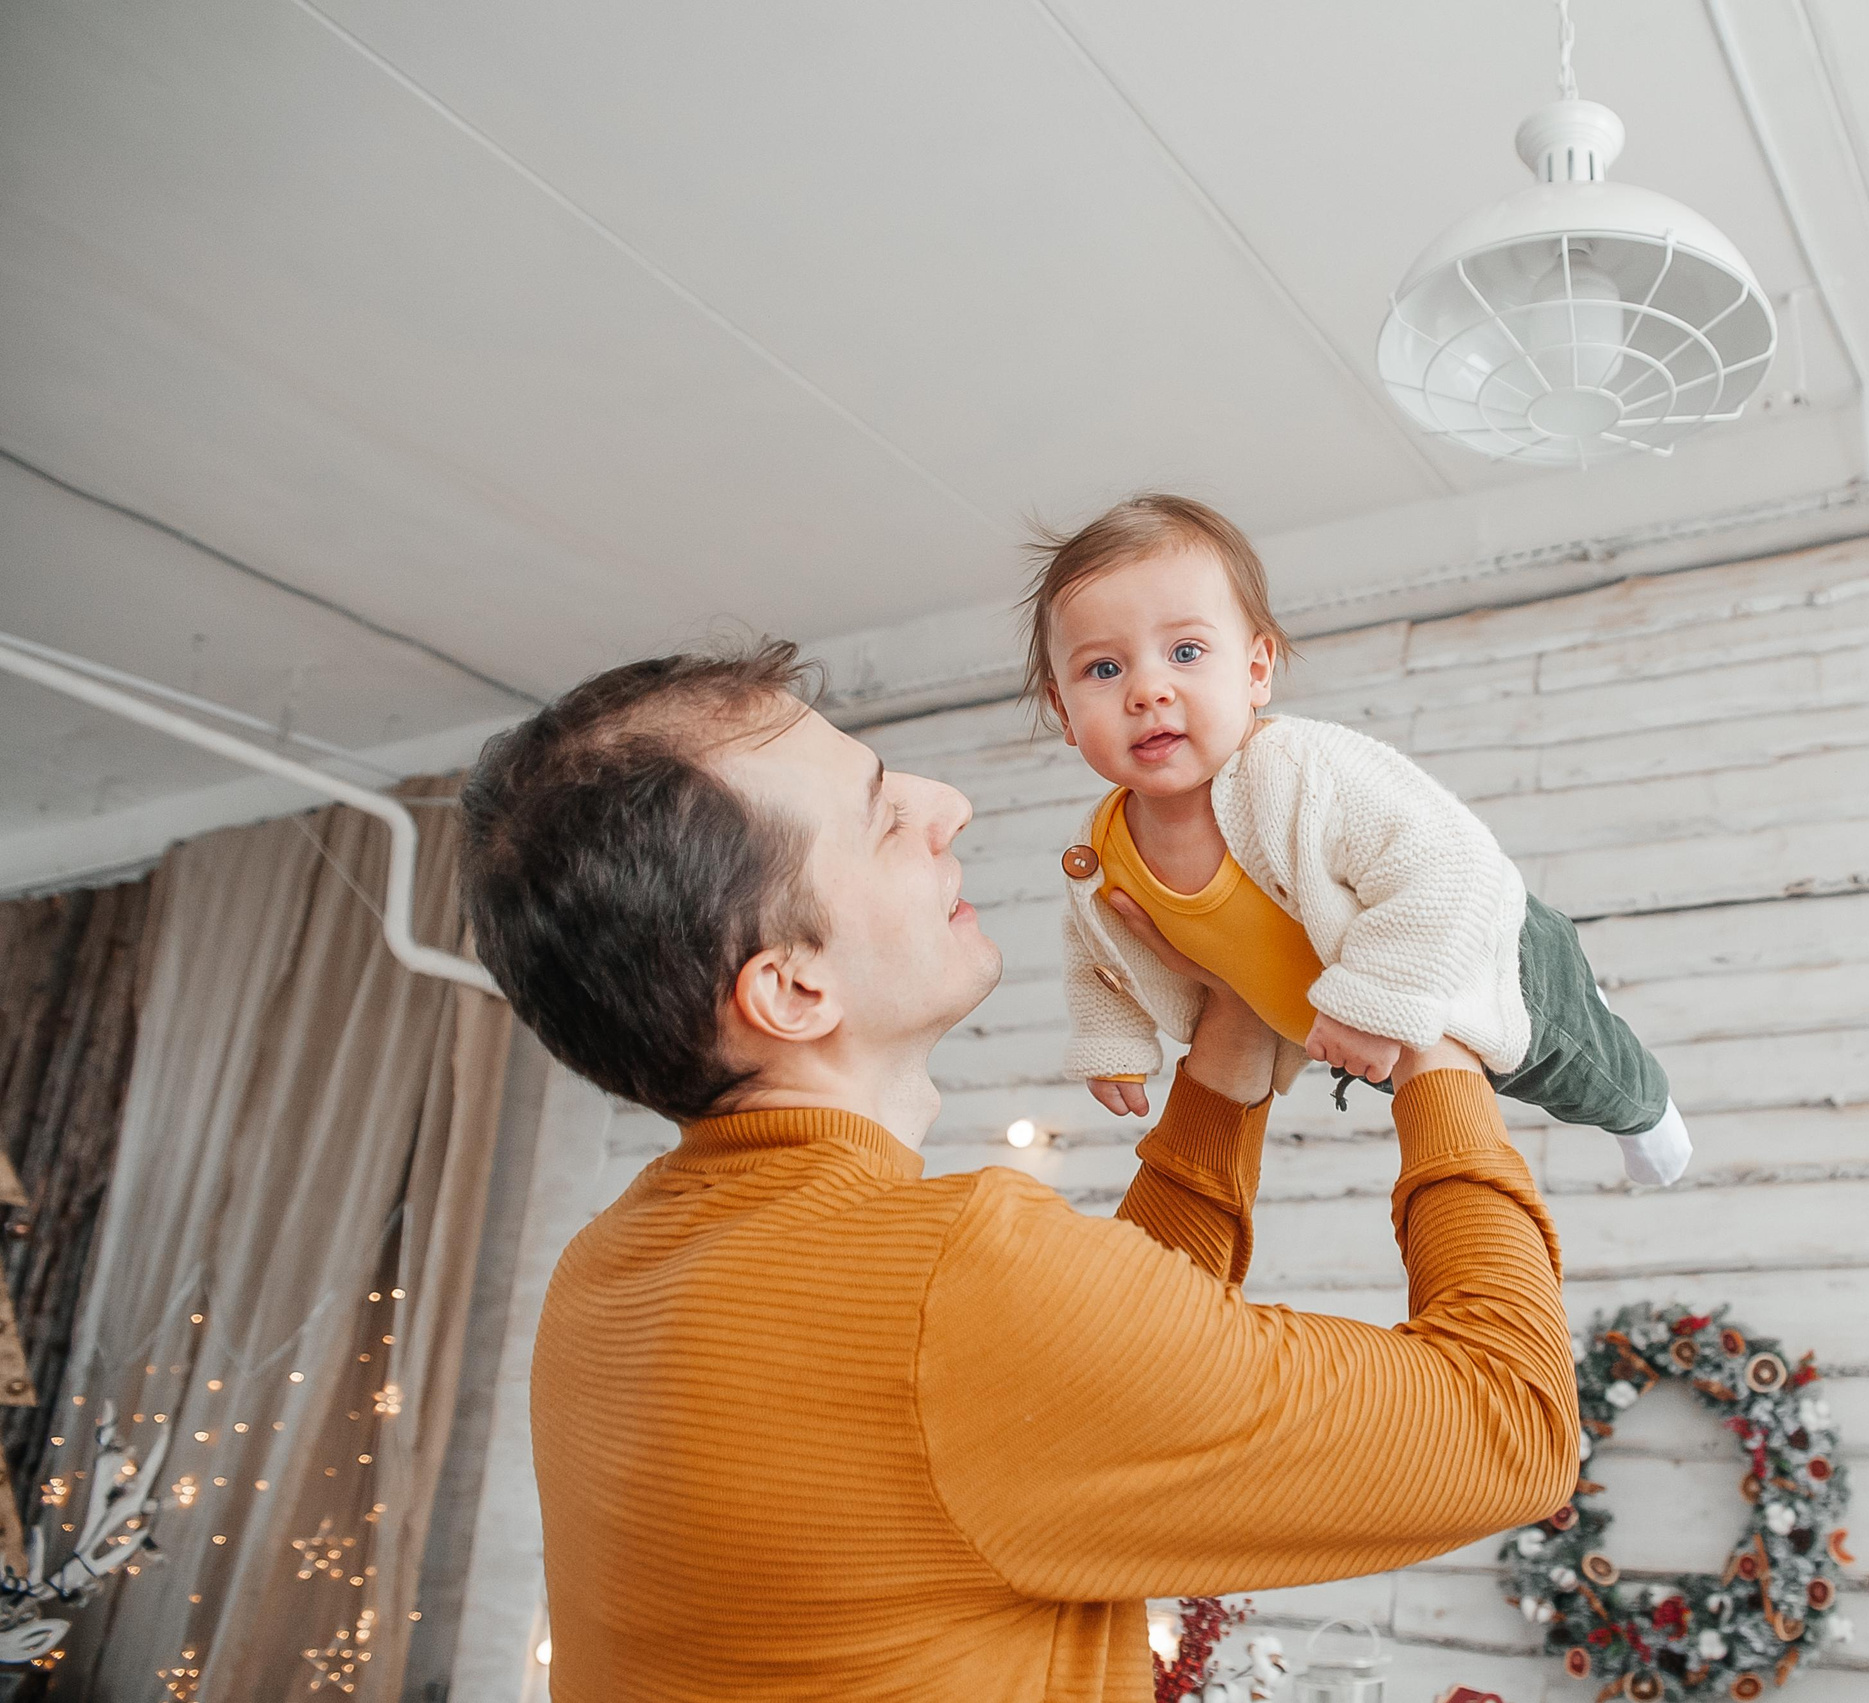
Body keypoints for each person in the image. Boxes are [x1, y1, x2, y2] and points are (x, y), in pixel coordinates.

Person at [456, 640, 1580, 1701]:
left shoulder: (606, 1272)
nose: (947, 804)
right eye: (882, 815)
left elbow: (1076, 1402)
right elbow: (1511, 1427)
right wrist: (1433, 1032)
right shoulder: (958, 1281)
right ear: (793, 989)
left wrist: (1227, 1051)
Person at [1028, 494, 1692, 1185]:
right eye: (1104, 669)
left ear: (1257, 670)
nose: (1148, 690)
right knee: (1447, 1095)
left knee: (1578, 1075)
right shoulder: (1101, 848)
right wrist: (1111, 1037)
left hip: (1479, 956)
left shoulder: (1297, 771)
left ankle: (1649, 1109)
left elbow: (1449, 860)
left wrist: (1375, 996)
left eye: (1186, 652)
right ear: (1063, 711)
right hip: (1358, 1018)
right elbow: (1096, 949)